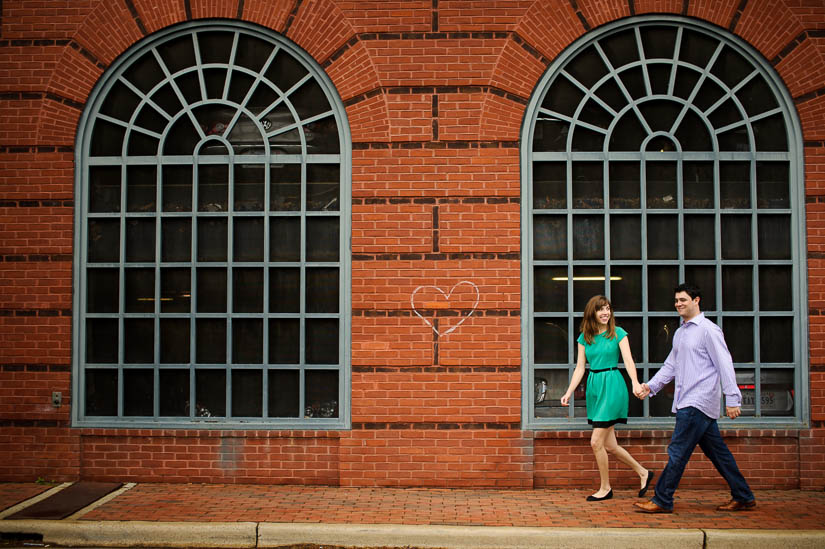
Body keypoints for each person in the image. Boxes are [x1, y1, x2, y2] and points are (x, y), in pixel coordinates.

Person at [633, 283, 756, 514]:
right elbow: (671, 365)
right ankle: (743, 495)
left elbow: (724, 363)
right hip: (688, 401)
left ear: (696, 300)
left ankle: (662, 499)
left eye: (683, 300)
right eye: (676, 300)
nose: (679, 304)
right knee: (719, 454)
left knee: (677, 452)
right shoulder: (680, 332)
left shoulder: (709, 330)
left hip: (697, 401)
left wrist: (732, 398)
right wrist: (651, 386)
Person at [560, 295, 654, 501]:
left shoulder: (618, 333)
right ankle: (643, 472)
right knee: (609, 445)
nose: (605, 313)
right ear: (592, 313)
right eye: (601, 309)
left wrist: (635, 383)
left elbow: (628, 361)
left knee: (596, 442)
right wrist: (568, 392)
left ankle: (605, 488)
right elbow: (580, 367)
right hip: (595, 387)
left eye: (608, 309)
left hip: (612, 385)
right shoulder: (585, 337)